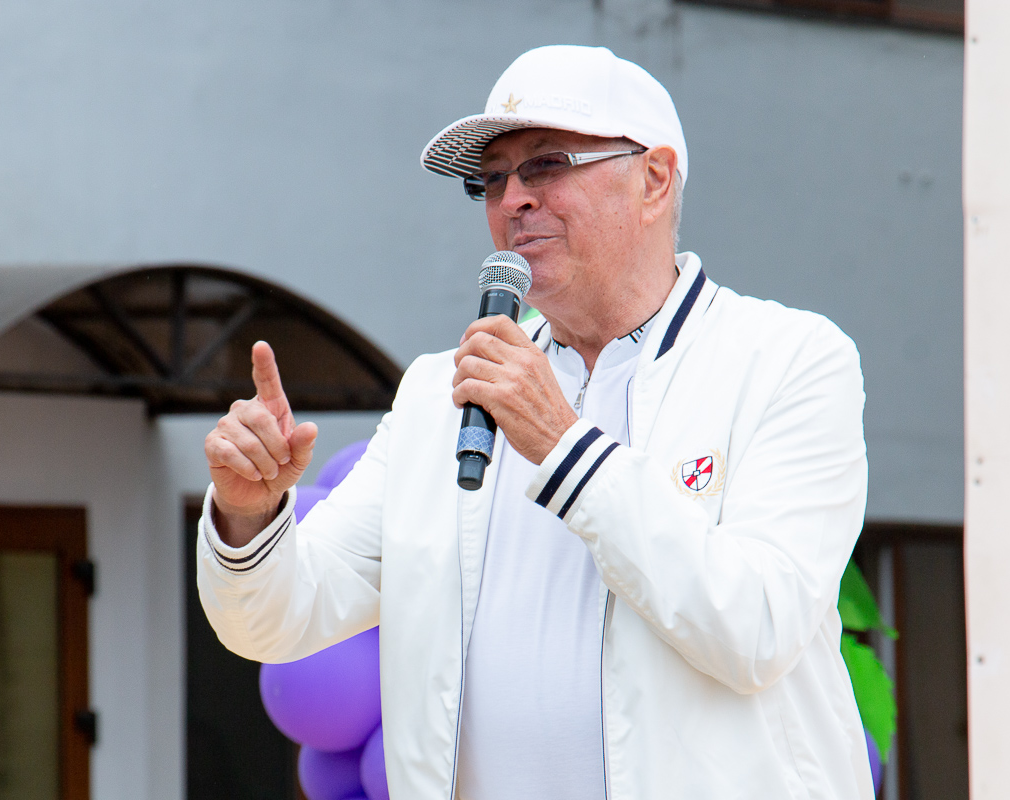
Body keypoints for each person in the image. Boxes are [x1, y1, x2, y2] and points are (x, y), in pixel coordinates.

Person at [198, 45, 871, 799]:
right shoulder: (439, 395)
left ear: (653, 179)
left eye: (546, 165)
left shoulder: (789, 360)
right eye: (491, 179)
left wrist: (562, 444)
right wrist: (247, 515)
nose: (512, 200)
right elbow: (273, 622)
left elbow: (758, 628)